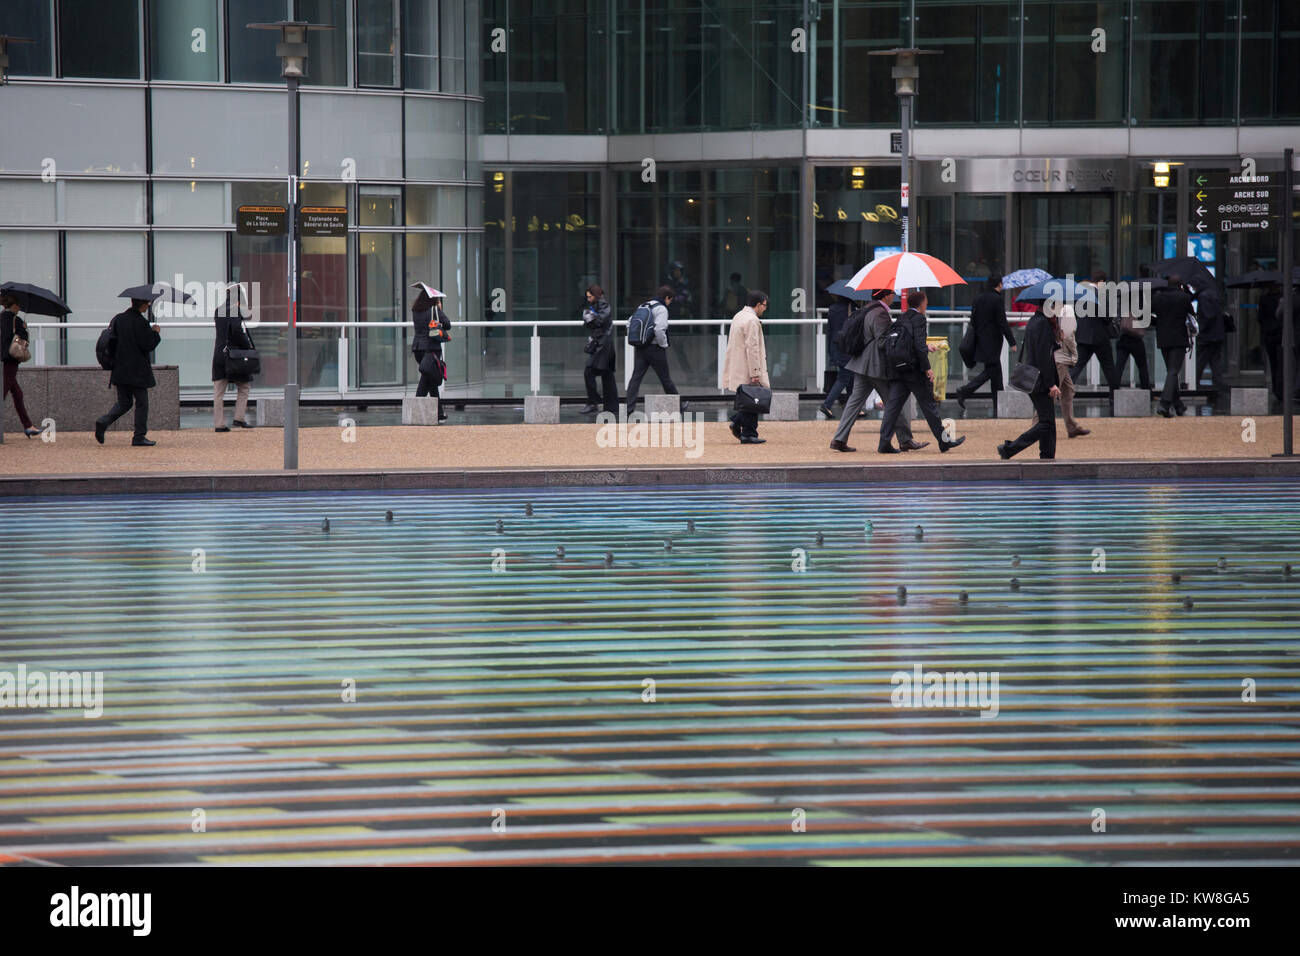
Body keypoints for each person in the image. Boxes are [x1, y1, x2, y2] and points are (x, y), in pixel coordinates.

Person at [829, 289, 923, 453]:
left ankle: (839, 439)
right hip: (874, 366)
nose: (894, 296)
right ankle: (906, 440)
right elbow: (882, 341)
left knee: (853, 403)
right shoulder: (880, 313)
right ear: (885, 295)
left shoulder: (868, 308)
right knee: (894, 402)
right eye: (892, 293)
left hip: (861, 364)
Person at [876, 290, 965, 454]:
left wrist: (925, 347)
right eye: (926, 302)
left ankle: (884, 443)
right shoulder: (919, 319)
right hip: (913, 371)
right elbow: (917, 345)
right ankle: (944, 442)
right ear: (922, 303)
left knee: (892, 407)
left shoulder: (901, 318)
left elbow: (910, 343)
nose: (927, 304)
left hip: (898, 370)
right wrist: (927, 368)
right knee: (929, 406)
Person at [997, 305, 1061, 460]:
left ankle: (1047, 456)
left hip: (1034, 378)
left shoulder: (1034, 321)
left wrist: (1056, 342)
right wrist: (1051, 383)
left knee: (1049, 422)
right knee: (1046, 423)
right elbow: (1043, 357)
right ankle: (1010, 448)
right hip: (1040, 381)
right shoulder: (1043, 324)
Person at [95, 297, 162, 446]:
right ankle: (139, 437)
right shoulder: (141, 322)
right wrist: (156, 332)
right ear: (142, 304)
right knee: (142, 403)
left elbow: (111, 341)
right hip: (137, 371)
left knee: (124, 402)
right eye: (147, 304)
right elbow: (148, 344)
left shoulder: (118, 319)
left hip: (120, 368)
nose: (148, 306)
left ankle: (104, 421)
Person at [955, 276, 1015, 410]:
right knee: (991, 371)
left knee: (996, 374)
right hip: (993, 342)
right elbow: (1002, 322)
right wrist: (1012, 341)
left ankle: (998, 405)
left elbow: (973, 319)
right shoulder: (997, 300)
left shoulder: (978, 298)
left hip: (981, 341)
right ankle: (964, 390)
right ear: (999, 284)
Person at [624, 286, 684, 415]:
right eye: (670, 300)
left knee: (636, 378)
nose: (669, 303)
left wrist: (638, 339)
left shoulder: (644, 305)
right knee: (665, 379)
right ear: (667, 298)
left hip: (640, 347)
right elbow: (659, 329)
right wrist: (663, 344)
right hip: (655, 348)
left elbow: (629, 322)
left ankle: (629, 409)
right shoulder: (661, 309)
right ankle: (679, 406)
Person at [722, 290, 770, 444]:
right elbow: (753, 347)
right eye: (764, 305)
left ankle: (739, 424)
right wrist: (755, 372)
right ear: (757, 304)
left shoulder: (739, 316)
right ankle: (748, 433)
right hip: (748, 366)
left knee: (748, 399)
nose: (765, 308)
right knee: (754, 399)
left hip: (739, 364)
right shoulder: (752, 321)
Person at [1070, 270, 1121, 396]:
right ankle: (1114, 396)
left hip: (1083, 337)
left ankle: (1065, 392)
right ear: (1102, 282)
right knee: (1109, 367)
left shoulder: (1080, 295)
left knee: (1077, 367)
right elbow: (1107, 317)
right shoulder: (1100, 295)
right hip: (1100, 338)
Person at [211, 295, 256, 432]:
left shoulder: (218, 310)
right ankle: (239, 418)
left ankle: (219, 424)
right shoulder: (234, 310)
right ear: (238, 301)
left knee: (219, 391)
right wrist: (247, 346)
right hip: (234, 355)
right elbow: (237, 331)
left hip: (219, 353)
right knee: (244, 387)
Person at [1153, 279, 1194, 417]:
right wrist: (1187, 292)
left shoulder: (1158, 297)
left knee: (1171, 372)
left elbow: (1152, 313)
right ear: (1180, 285)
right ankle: (1164, 404)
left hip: (1163, 339)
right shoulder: (1184, 297)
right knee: (1173, 371)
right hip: (1178, 339)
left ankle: (1178, 406)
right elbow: (1191, 312)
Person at [0, 293, 40, 438]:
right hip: (10, 359)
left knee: (17, 393)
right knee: (2, 392)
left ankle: (28, 425)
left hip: (1, 358)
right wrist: (24, 327)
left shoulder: (1, 317)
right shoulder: (16, 320)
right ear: (14, 305)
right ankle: (28, 425)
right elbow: (23, 338)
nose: (20, 308)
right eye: (18, 305)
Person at [411, 283, 451, 421]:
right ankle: (415, 412)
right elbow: (447, 324)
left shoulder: (416, 310)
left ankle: (439, 413)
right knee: (426, 380)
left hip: (418, 349)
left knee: (431, 380)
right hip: (431, 349)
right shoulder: (434, 310)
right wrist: (439, 310)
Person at [1115, 266, 1155, 390]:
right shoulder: (1144, 298)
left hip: (1124, 336)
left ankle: (1114, 392)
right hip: (1136, 338)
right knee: (1142, 366)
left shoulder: (1127, 295)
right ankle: (1146, 390)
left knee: (1119, 366)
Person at [1054, 303, 1089, 438]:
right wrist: (1074, 355)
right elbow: (1068, 335)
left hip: (1056, 356)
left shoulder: (1051, 310)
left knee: (1068, 391)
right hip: (1061, 358)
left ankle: (1072, 426)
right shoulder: (1067, 310)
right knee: (1051, 394)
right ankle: (1036, 427)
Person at [581, 284, 616, 414]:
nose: (588, 299)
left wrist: (590, 317)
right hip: (602, 344)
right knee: (607, 375)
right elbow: (591, 323)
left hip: (603, 345)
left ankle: (593, 402)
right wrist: (589, 318)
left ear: (595, 295)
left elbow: (599, 322)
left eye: (590, 297)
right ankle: (611, 406)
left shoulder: (603, 305)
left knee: (589, 371)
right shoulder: (597, 306)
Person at [819, 292, 855, 419]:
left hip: (836, 347)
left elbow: (830, 330)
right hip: (847, 348)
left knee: (850, 377)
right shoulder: (850, 310)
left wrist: (830, 350)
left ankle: (853, 408)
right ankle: (827, 404)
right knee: (845, 378)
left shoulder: (833, 309)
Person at [1193, 294, 1229, 408]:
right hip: (1216, 335)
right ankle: (1218, 382)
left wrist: (1201, 329)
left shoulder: (1204, 297)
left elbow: (1208, 317)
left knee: (1203, 358)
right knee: (1214, 359)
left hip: (1209, 336)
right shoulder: (1213, 296)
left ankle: (1196, 379)